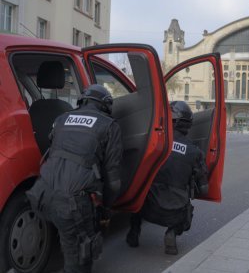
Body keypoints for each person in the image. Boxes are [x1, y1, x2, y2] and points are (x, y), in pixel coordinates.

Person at [26, 84, 123, 273]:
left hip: (41, 194)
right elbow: (113, 181)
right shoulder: (110, 126)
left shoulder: (62, 119)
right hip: (71, 203)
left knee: (68, 234)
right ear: (106, 105)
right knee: (80, 259)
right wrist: (106, 208)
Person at [126, 100, 209, 255]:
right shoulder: (195, 152)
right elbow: (204, 189)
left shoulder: (155, 143)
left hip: (147, 207)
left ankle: (133, 233)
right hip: (175, 211)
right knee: (187, 212)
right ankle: (172, 233)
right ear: (188, 125)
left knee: (140, 193)